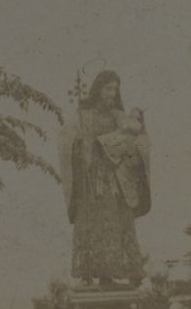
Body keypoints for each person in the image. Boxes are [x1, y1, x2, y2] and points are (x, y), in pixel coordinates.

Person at [58, 70, 151, 286]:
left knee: (119, 222)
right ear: (98, 90)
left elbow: (135, 141)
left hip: (116, 179)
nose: (112, 93)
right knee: (92, 223)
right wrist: (79, 145)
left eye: (115, 89)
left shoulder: (119, 116)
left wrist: (137, 130)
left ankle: (117, 274)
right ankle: (90, 274)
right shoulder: (83, 116)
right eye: (108, 88)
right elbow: (66, 140)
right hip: (92, 180)